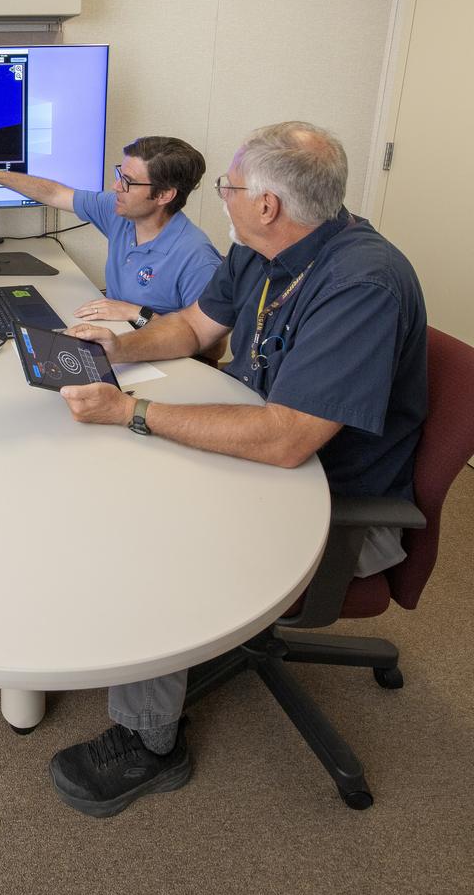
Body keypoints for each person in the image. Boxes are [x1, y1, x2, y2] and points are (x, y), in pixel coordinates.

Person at [49, 121, 427, 818]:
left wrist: (129, 410)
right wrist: (117, 347)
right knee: (111, 482)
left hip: (333, 508)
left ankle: (151, 743)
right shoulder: (261, 249)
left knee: (150, 538)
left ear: (267, 205)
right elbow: (194, 328)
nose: (218, 196)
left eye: (228, 185)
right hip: (269, 461)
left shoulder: (361, 284)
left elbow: (286, 440)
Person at [0, 136, 220, 326]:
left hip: (167, 366)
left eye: (129, 182)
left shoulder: (196, 258)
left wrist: (137, 314)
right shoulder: (119, 212)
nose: (116, 187)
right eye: (120, 175)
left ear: (164, 196)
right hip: (118, 339)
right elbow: (55, 194)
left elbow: (210, 346)